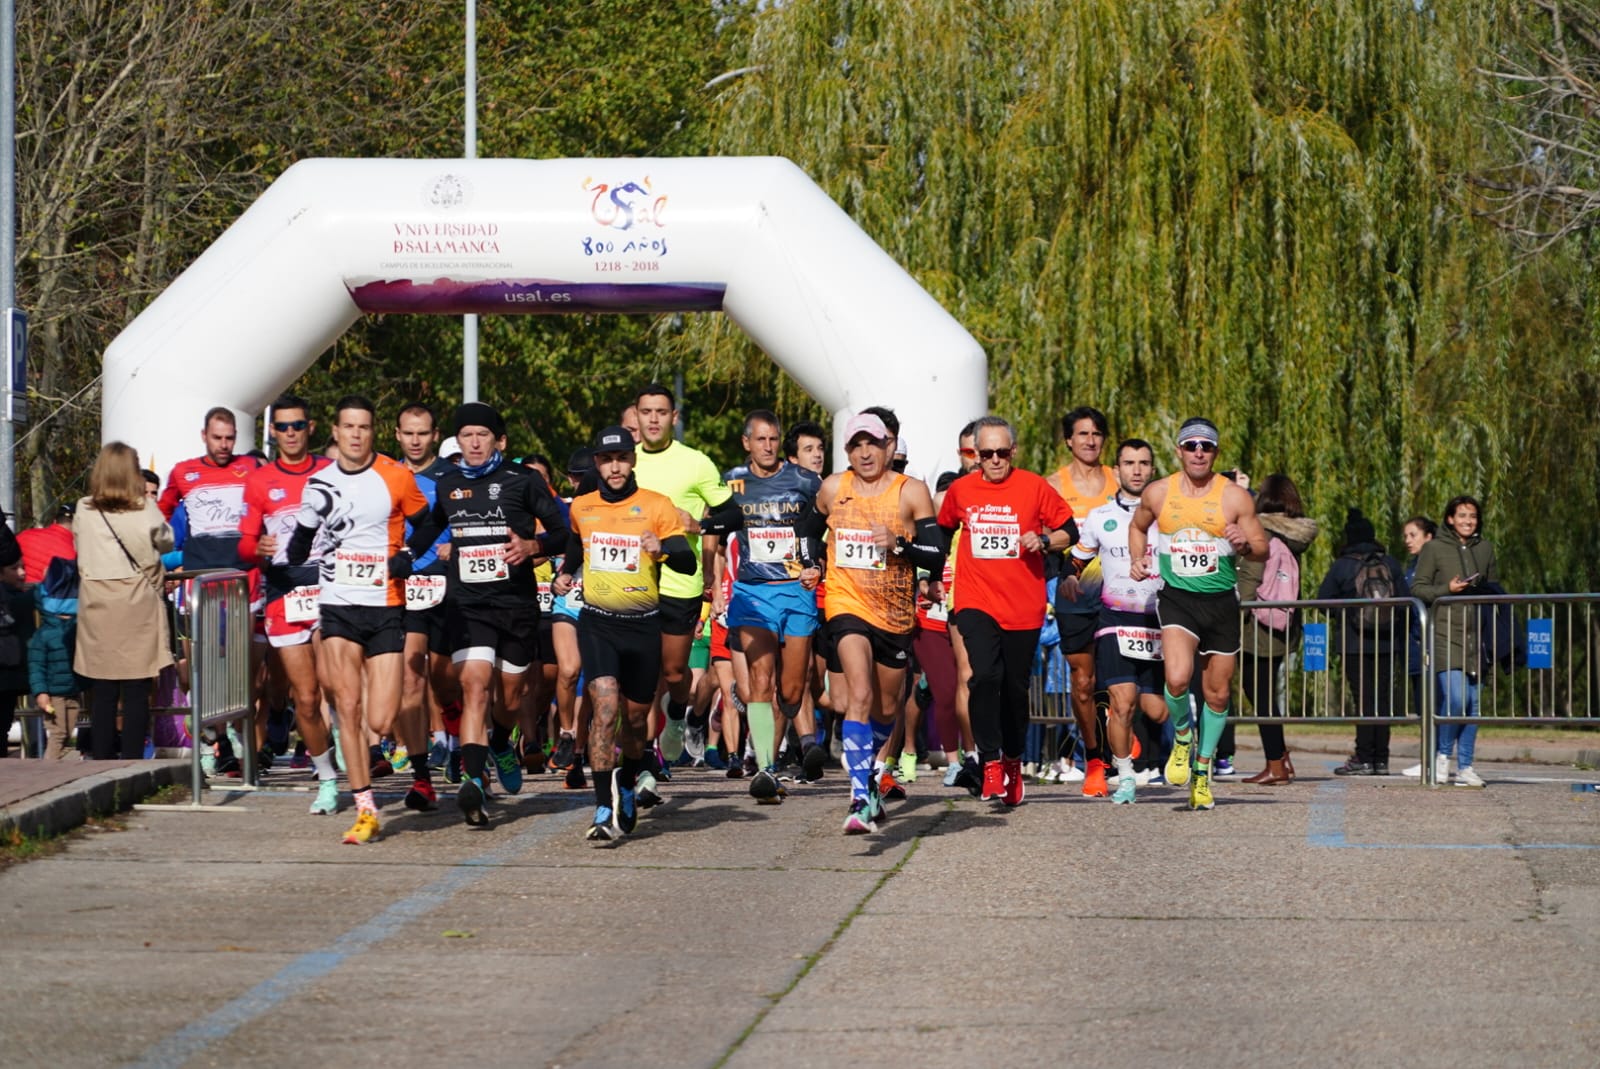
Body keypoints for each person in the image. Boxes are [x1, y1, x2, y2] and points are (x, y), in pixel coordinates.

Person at [285, 395, 441, 843]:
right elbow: (299, 546)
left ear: (373, 433)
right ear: (334, 432)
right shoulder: (318, 482)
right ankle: (365, 807)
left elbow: (430, 522)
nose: (356, 435)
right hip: (337, 606)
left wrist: (408, 555)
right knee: (347, 708)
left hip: (386, 605)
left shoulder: (395, 477)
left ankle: (395, 763)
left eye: (364, 427)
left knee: (381, 716)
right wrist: (297, 551)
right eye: (348, 427)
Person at [555, 425, 697, 842]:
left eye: (621, 458)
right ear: (597, 463)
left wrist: (663, 551)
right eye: (606, 460)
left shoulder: (657, 506)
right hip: (598, 623)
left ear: (632, 460)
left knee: (635, 722)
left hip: (643, 627)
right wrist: (564, 575)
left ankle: (631, 779)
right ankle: (602, 807)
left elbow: (687, 563)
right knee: (604, 709)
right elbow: (573, 548)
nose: (614, 467)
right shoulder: (583, 506)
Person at [430, 402, 569, 826]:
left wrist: (534, 547)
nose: (474, 442)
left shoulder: (523, 481)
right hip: (468, 604)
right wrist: (400, 556)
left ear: (499, 441)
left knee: (508, 699)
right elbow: (426, 530)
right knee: (474, 685)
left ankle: (502, 741)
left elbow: (564, 531)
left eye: (483, 435)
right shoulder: (447, 484)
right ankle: (473, 782)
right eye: (466, 435)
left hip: (516, 605)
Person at [1128, 417, 1268, 810]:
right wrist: (1139, 560)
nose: (1198, 452)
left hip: (1221, 602)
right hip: (1178, 599)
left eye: (1206, 446)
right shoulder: (1159, 493)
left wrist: (1244, 544)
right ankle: (1183, 736)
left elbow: (1262, 547)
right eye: (1191, 445)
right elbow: (1138, 528)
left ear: (1216, 452)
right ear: (1179, 451)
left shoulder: (1235, 498)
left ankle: (1202, 771)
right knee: (1176, 679)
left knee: (1218, 694)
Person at [937, 417, 1074, 808]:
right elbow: (944, 528)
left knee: (1014, 690)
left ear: (1013, 451)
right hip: (975, 600)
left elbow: (1070, 532)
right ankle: (991, 761)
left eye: (1001, 453)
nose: (994, 460)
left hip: (1023, 605)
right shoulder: (961, 490)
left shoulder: (1034, 486)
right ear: (974, 455)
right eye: (985, 454)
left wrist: (1045, 539)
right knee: (983, 677)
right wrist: (933, 575)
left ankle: (1013, 762)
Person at [818, 412, 941, 833]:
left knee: (888, 708)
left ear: (889, 446)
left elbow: (936, 553)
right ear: (848, 450)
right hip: (845, 600)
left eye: (873, 443)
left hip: (894, 613)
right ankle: (858, 795)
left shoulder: (912, 492)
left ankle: (869, 773)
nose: (865, 452)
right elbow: (808, 524)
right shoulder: (834, 487)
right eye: (856, 445)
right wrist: (808, 562)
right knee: (860, 692)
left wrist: (901, 545)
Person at [707, 409, 827, 804]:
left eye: (774, 439)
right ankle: (765, 767)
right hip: (753, 592)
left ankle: (795, 729)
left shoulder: (806, 481)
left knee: (792, 691)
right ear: (747, 443)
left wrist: (819, 564)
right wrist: (711, 578)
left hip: (796, 591)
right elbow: (716, 529)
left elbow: (827, 525)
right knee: (760, 682)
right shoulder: (732, 483)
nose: (768, 446)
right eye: (760, 439)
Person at [631, 384, 741, 793]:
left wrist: (699, 526)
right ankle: (645, 757)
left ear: (673, 418)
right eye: (647, 411)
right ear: (636, 417)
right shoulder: (624, 464)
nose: (654, 419)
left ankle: (678, 711)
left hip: (682, 580)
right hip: (633, 583)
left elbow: (733, 514)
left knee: (675, 673)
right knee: (643, 674)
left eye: (662, 412)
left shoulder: (696, 463)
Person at [237, 394, 340, 813]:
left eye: (298, 425)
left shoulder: (331, 471)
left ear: (310, 428)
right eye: (282, 427)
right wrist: (255, 546)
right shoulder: (259, 480)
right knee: (307, 698)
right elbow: (243, 545)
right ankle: (328, 778)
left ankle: (354, 747)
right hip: (283, 592)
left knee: (338, 685)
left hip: (330, 587)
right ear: (273, 431)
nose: (291, 433)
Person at [1069, 438, 1169, 804]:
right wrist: (1068, 576)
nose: (1137, 470)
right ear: (1117, 470)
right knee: (1122, 702)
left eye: (1144, 463)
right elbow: (1077, 559)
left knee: (1156, 710)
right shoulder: (1100, 517)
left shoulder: (1168, 515)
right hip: (1114, 618)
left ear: (1153, 470)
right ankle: (1124, 774)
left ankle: (1180, 734)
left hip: (1158, 619)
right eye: (1129, 463)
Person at [74, 442, 175, 760]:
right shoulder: (143, 507)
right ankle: (132, 760)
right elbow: (166, 540)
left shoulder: (84, 508)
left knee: (102, 689)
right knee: (136, 688)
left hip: (97, 602)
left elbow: (80, 548)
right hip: (137, 601)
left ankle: (101, 761)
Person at [1048, 407, 1121, 796]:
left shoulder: (1120, 478)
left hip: (1119, 595)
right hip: (1075, 595)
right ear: (1069, 441)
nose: (1090, 440)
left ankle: (1116, 746)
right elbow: (1042, 533)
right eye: (1082, 434)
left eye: (1096, 434)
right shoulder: (1054, 485)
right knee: (1084, 682)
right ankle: (1094, 757)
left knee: (1118, 680)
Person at [1233, 475, 1318, 784]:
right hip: (1283, 624)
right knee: (1264, 693)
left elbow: (1250, 578)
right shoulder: (1295, 535)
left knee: (1260, 694)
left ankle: (1275, 766)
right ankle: (1280, 758)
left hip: (1257, 626)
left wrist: (1232, 605)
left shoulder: (1263, 532)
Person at [1411, 496, 1498, 788]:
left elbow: (1495, 588)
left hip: (1478, 637)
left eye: (1472, 516)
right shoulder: (1434, 548)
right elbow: (1418, 589)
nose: (1468, 521)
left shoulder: (1485, 548)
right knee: (1457, 698)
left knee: (1474, 705)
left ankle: (1466, 766)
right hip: (1446, 633)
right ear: (1450, 518)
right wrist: (1446, 589)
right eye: (1462, 515)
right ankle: (1441, 757)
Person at [1319, 508, 1409, 776]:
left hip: (1353, 643)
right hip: (1387, 642)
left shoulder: (1343, 564)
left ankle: (1363, 757)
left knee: (1364, 701)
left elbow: (1323, 601)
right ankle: (1382, 759)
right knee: (1383, 701)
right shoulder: (1390, 563)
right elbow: (1404, 600)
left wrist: (1343, 613)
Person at [1399, 517, 1437, 778]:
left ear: (1428, 537)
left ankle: (1435, 759)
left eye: (1413, 535)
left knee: (1435, 703)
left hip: (1429, 644)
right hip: (1414, 645)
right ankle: (1427, 759)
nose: (1407, 541)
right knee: (1422, 703)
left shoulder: (1433, 566)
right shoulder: (1413, 565)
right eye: (1406, 536)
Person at [0, 560, 35, 756]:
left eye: (23, 567)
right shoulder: (15, 599)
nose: (22, 573)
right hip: (8, 670)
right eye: (14, 568)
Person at [17, 504, 74, 584]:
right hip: (47, 594)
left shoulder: (24, 535)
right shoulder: (75, 553)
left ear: (54, 521)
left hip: (15, 591)